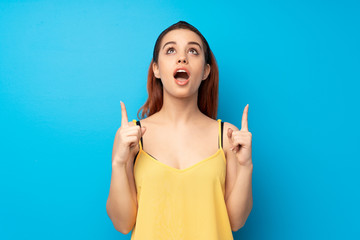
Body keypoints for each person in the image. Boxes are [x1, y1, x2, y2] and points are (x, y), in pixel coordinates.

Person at [106, 21, 253, 239]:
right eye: (171, 50)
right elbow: (122, 224)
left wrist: (245, 165)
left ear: (205, 71)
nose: (182, 58)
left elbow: (236, 222)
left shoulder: (228, 136)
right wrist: (119, 163)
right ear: (156, 68)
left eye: (193, 51)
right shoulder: (132, 136)